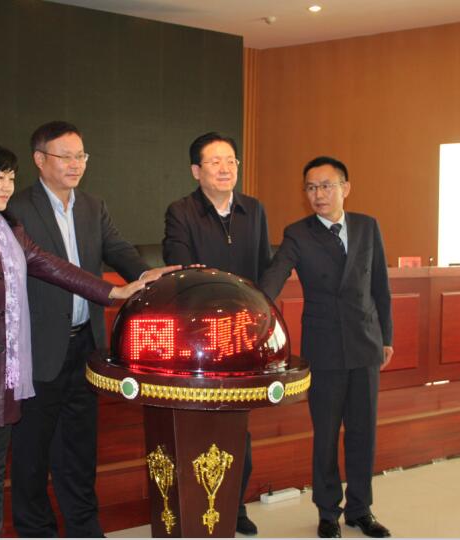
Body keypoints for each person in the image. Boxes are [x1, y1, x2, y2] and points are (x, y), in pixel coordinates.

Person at [0, 141, 149, 538]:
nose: (6, 186)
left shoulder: (11, 232)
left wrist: (113, 291)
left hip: (2, 378)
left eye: (10, 178)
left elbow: (55, 267)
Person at [8, 121, 178, 537]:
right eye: (65, 156)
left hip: (85, 345)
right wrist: (113, 290)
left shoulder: (92, 205)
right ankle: (36, 531)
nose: (75, 164)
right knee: (31, 453)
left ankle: (84, 528)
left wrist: (148, 277)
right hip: (37, 349)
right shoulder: (17, 207)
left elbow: (118, 250)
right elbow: (43, 266)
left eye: (81, 156)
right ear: (39, 160)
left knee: (80, 451)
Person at [259, 156, 393, 539]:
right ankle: (327, 511)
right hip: (325, 348)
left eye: (326, 186)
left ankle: (361, 509)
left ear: (345, 188)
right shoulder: (298, 233)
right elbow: (275, 275)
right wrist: (255, 304)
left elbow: (380, 287)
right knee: (327, 435)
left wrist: (386, 337)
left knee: (363, 433)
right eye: (311, 187)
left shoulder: (367, 226)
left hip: (365, 344)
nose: (318, 194)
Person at [162, 131, 270, 536]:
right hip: (197, 336)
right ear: (196, 170)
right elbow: (182, 268)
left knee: (237, 425)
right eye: (215, 162)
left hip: (243, 334)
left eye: (231, 161)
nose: (225, 168)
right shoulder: (181, 211)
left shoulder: (253, 210)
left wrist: (258, 314)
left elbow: (263, 267)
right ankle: (195, 508)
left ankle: (233, 508)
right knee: (198, 425)